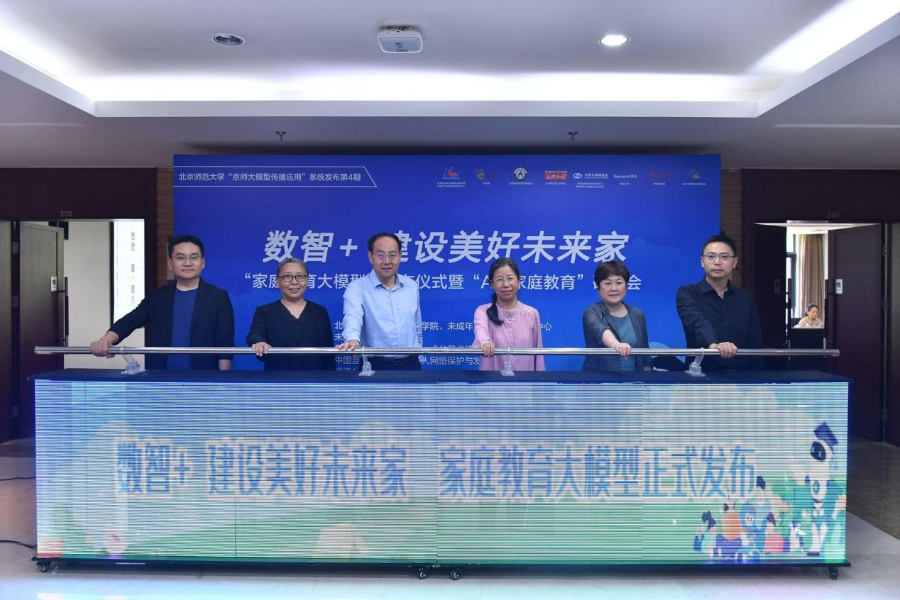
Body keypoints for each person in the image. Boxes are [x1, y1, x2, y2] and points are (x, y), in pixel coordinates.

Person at [90, 234, 234, 370]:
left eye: (194, 257)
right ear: (170, 263)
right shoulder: (157, 297)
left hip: (203, 377)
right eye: (180, 258)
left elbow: (225, 341)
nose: (187, 263)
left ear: (202, 263)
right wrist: (106, 340)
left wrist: (222, 379)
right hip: (160, 376)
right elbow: (129, 321)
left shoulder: (218, 297)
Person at [676, 233, 764, 370]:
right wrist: (714, 345)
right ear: (702, 261)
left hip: (741, 374)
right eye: (711, 257)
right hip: (701, 373)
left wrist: (759, 377)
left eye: (724, 257)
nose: (717, 262)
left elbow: (754, 341)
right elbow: (697, 323)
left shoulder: (745, 298)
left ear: (734, 262)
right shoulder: (687, 293)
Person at [336, 232, 423, 370]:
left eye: (393, 255)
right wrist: (353, 339)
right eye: (380, 255)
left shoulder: (411, 285)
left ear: (400, 256)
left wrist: (419, 354)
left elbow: (416, 325)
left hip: (411, 365)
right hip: (375, 365)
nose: (387, 261)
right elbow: (352, 316)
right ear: (370, 257)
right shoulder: (357, 288)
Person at [247, 258, 335, 370]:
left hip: (315, 379)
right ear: (277, 281)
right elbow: (255, 334)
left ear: (307, 280)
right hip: (277, 379)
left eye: (300, 276)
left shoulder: (320, 312)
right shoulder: (265, 312)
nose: (294, 282)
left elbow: (328, 355)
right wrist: (259, 342)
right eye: (287, 276)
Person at [473, 258, 545, 371]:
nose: (506, 284)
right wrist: (485, 343)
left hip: (526, 380)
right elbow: (481, 332)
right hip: (491, 380)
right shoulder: (483, 311)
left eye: (510, 278)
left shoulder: (531, 313)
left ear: (519, 280)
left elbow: (538, 353)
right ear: (492, 284)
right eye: (499, 280)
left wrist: (541, 379)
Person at [583, 260, 651, 372]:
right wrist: (617, 345)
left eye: (619, 283)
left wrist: (647, 377)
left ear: (626, 287)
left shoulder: (638, 314)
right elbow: (600, 331)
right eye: (608, 283)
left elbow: (645, 353)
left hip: (636, 378)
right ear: (598, 288)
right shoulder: (591, 312)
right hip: (600, 378)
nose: (614, 288)